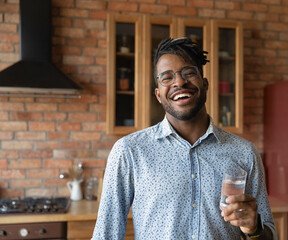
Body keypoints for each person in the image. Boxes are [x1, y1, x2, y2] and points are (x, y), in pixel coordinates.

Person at [92, 37, 277, 240]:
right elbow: (105, 235)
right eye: (167, 77)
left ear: (205, 84)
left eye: (189, 73)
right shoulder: (129, 151)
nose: (179, 82)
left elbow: (269, 234)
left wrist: (255, 228)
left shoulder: (244, 153)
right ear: (158, 94)